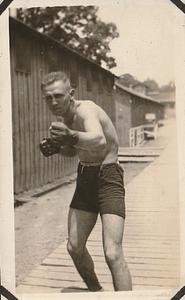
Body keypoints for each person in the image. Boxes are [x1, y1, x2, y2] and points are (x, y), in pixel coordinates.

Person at [40, 71, 132, 292]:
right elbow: (75, 151)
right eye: (48, 98)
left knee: (112, 252)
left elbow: (99, 139)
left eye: (58, 96)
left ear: (71, 94)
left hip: (108, 176)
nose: (53, 102)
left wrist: (70, 135)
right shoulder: (66, 118)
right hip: (85, 178)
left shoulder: (86, 109)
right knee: (74, 247)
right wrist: (58, 148)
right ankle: (96, 292)